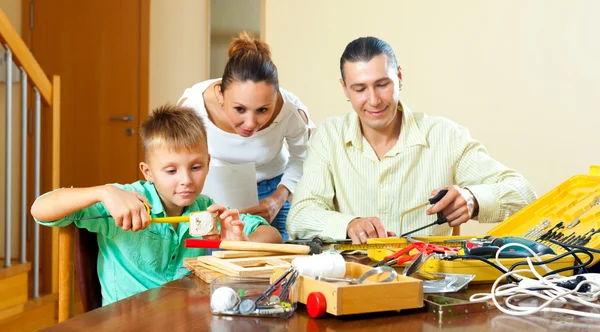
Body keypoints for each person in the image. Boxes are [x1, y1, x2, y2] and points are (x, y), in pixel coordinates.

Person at [287, 36, 537, 243]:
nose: (373, 100)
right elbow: (300, 215)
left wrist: (473, 198)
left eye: (382, 84)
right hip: (351, 280)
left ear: (400, 77)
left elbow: (524, 193)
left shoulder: (446, 136)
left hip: (427, 283)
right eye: (360, 89)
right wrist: (349, 224)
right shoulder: (329, 136)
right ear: (345, 89)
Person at [30, 105, 282, 305]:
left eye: (196, 167)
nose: (186, 181)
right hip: (123, 323)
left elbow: (272, 236)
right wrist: (103, 192)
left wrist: (241, 243)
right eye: (171, 170)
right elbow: (40, 209)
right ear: (148, 172)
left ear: (207, 162)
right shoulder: (122, 201)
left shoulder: (207, 209)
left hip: (182, 319)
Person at [178, 32, 314, 241]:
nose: (250, 124)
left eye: (262, 110)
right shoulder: (193, 106)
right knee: (212, 262)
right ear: (221, 96)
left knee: (275, 261)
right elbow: (175, 156)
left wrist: (278, 199)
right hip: (212, 190)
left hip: (273, 190)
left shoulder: (290, 111)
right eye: (240, 109)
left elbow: (303, 157)